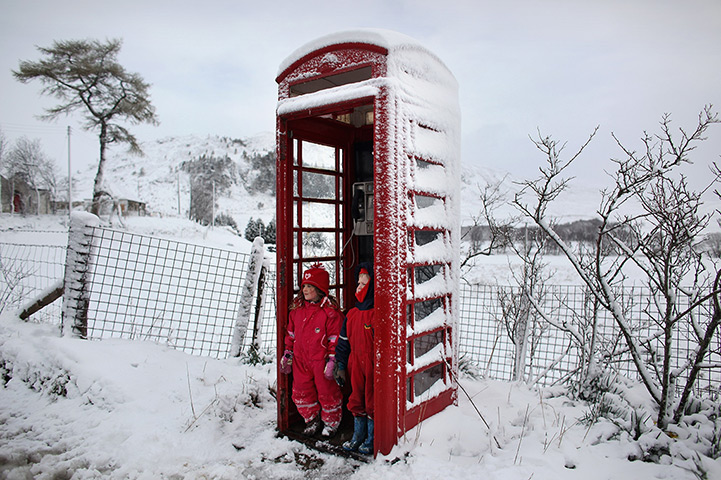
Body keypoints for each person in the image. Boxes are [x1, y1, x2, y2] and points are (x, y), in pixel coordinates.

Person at [279, 263, 343, 438]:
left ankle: (331, 423)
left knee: (327, 391)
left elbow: (335, 339)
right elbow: (291, 334)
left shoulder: (330, 313)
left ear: (320, 289)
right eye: (303, 286)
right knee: (301, 390)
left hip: (321, 361)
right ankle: (311, 419)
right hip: (301, 360)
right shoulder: (297, 311)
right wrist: (288, 353)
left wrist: (332, 360)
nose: (305, 289)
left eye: (309, 286)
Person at [334, 262, 375, 454]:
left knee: (372, 401)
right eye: (358, 283)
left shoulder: (377, 315)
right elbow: (343, 342)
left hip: (374, 365)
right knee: (356, 399)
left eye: (363, 284)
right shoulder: (351, 314)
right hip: (355, 363)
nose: (358, 288)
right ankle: (357, 436)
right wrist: (340, 364)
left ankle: (372, 439)